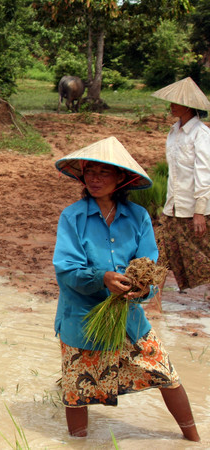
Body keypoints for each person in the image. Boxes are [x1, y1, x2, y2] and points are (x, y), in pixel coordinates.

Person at [53, 137, 199, 441]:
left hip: (129, 318)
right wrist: (103, 277)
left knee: (166, 375)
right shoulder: (73, 217)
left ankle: (195, 440)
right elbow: (67, 269)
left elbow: (149, 264)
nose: (94, 179)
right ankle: (77, 444)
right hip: (83, 317)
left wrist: (141, 291)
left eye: (103, 173)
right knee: (78, 390)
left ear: (121, 178)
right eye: (89, 172)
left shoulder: (137, 217)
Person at [151, 77, 210, 293]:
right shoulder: (174, 132)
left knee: (204, 255)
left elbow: (204, 174)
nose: (171, 105)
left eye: (176, 101)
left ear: (189, 106)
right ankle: (154, 305)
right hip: (172, 207)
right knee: (160, 254)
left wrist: (200, 212)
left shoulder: (202, 135)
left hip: (194, 209)